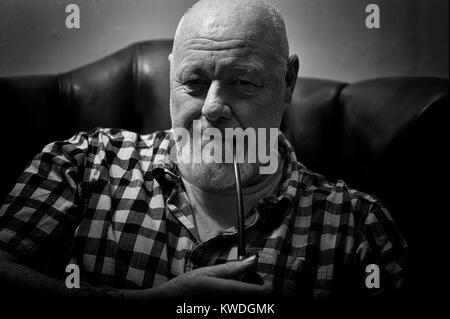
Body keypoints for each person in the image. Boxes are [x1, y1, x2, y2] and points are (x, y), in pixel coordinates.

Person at [0, 0, 408, 303]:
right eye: (193, 81)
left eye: (243, 82)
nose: (212, 108)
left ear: (288, 82)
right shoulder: (83, 165)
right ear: (170, 74)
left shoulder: (356, 227)